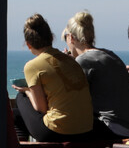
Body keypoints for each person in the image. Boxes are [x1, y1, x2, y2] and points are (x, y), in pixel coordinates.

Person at [12, 13, 106, 142]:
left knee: (20, 97)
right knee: (17, 116)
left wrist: (27, 91)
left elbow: (41, 109)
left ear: (28, 44)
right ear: (51, 37)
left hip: (57, 131)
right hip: (86, 129)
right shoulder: (72, 61)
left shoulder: (32, 66)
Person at [63, 10, 129, 137]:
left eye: (65, 38)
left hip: (116, 127)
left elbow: (69, 97)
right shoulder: (109, 54)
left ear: (71, 38)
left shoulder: (83, 60)